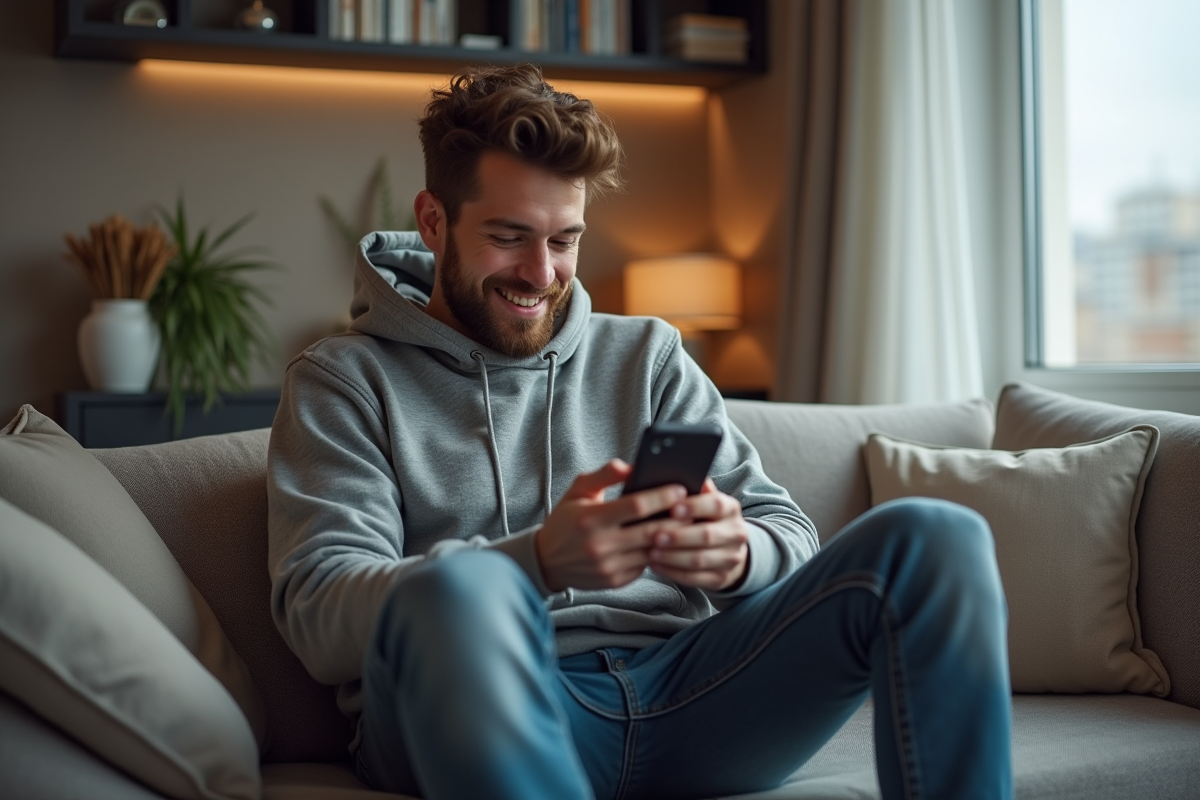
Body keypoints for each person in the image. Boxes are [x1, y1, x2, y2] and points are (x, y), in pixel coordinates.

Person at [267, 64, 1012, 800]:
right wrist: (538, 562)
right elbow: (319, 614)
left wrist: (736, 555)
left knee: (937, 537)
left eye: (565, 240)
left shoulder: (648, 355)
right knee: (464, 587)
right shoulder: (343, 379)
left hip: (689, 693)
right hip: (483, 706)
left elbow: (784, 529)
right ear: (434, 221)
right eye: (509, 236)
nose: (541, 273)